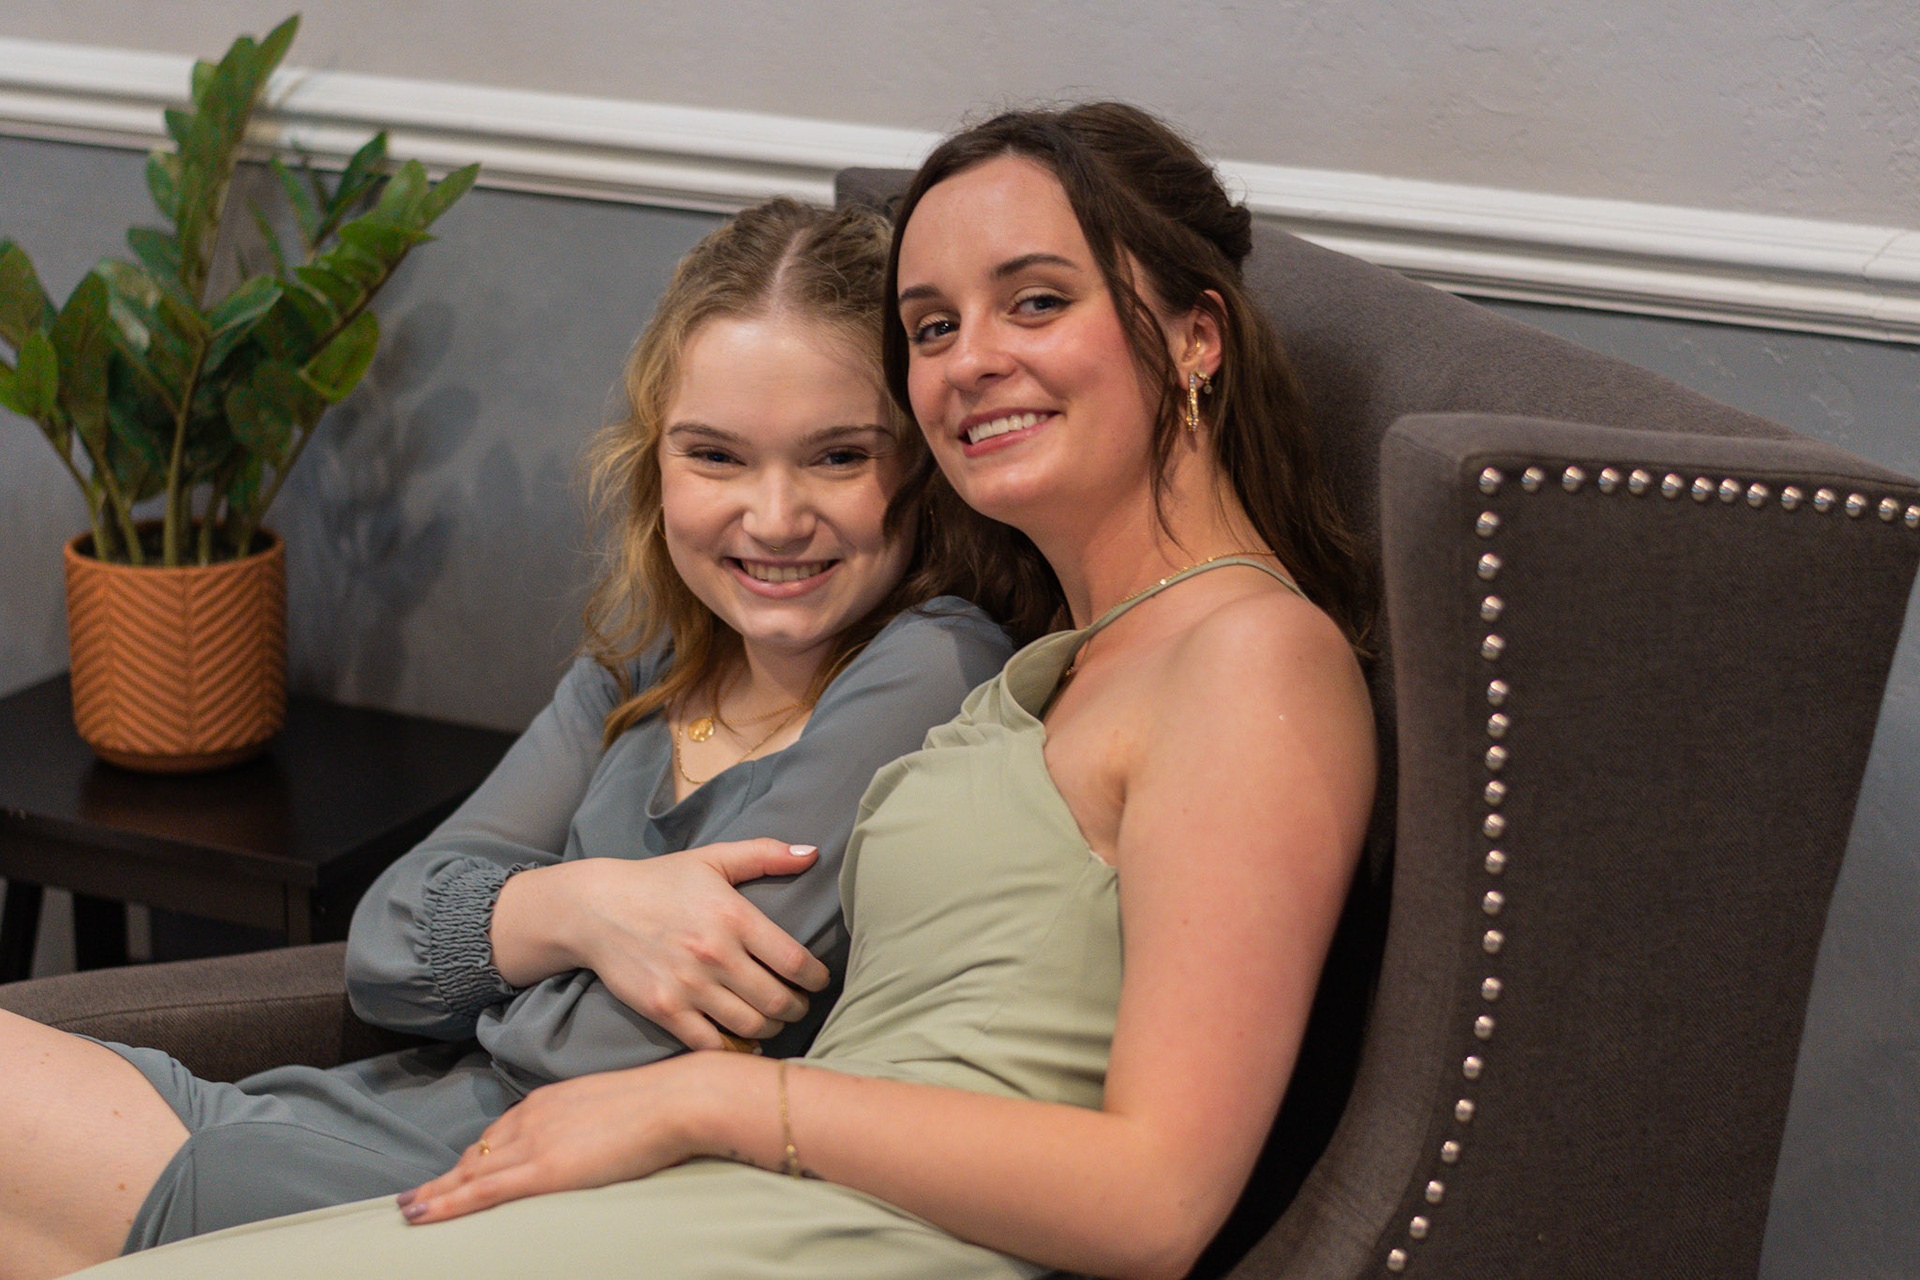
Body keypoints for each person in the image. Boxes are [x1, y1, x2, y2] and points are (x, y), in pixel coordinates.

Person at [76, 102, 1376, 1280]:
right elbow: (392, 947)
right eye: (933, 327)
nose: (972, 359)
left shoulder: (1245, 654)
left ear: (1196, 334)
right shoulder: (1075, 659)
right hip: (755, 1195)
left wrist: (711, 1099)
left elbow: (1158, 1201)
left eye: (1035, 302)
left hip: (812, 1216)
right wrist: (583, 921)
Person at [0, 198, 1012, 1278]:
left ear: (919, 463)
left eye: (838, 456)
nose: (773, 516)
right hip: (345, 1120)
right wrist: (584, 907)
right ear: (655, 462)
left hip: (467, 1199)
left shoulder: (931, 666)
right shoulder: (639, 673)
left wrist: (497, 952)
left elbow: (628, 1051)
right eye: (716, 455)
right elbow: (383, 949)